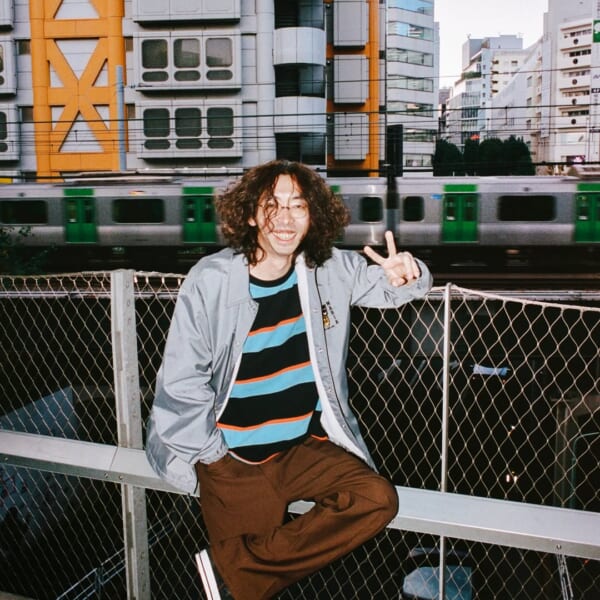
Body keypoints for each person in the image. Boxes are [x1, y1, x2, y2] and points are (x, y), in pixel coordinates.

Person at [145, 159, 433, 600]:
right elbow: (182, 383)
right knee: (253, 593)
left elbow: (392, 287)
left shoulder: (328, 268)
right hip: (234, 458)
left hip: (301, 448)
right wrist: (215, 459)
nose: (285, 217)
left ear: (312, 216)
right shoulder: (211, 280)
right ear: (250, 215)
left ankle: (230, 569)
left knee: (376, 498)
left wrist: (410, 274)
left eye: (298, 205)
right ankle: (237, 574)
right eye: (271, 205)